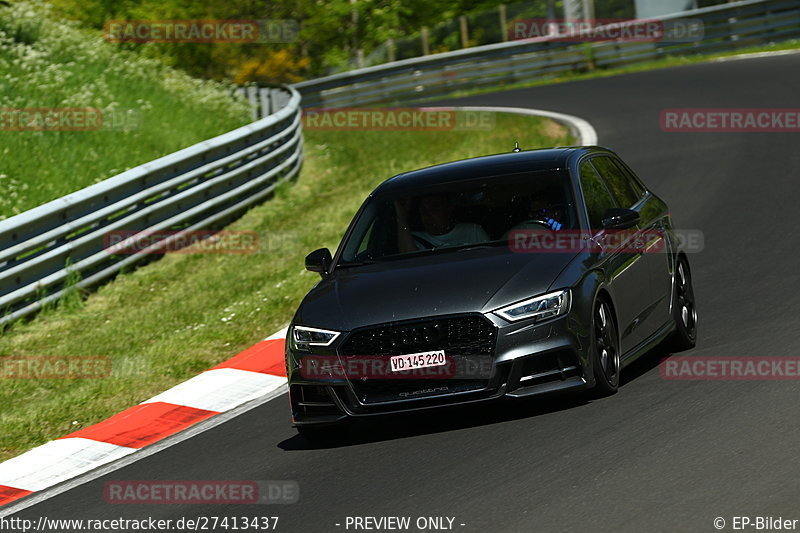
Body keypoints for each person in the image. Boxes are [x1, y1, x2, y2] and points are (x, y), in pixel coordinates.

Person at [395, 194, 489, 253]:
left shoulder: (473, 231)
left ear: (448, 210)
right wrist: (402, 218)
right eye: (424, 210)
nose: (428, 215)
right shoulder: (412, 239)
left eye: (434, 209)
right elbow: (409, 264)